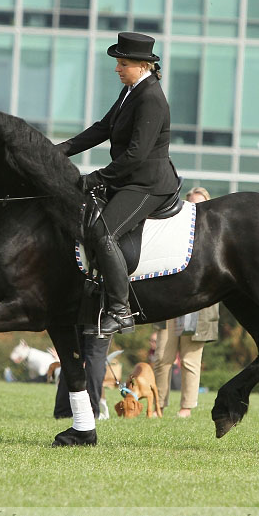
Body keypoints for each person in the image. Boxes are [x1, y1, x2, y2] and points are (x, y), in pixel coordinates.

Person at [56, 31, 180, 337]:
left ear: (141, 66)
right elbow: (102, 128)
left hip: (147, 184)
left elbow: (136, 155)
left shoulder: (151, 98)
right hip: (130, 178)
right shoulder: (131, 91)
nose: (117, 69)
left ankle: (121, 311)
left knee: (103, 232)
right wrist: (56, 152)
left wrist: (96, 178)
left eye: (122, 63)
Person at [151, 188, 218, 417]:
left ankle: (186, 408)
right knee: (161, 357)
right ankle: (158, 405)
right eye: (190, 204)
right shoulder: (173, 234)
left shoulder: (216, 241)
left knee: (190, 360)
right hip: (168, 304)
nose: (194, 209)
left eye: (199, 204)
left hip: (198, 305)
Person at [54, 333, 112, 420]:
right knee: (96, 353)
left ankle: (63, 410)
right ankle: (90, 410)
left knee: (72, 354)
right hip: (98, 323)